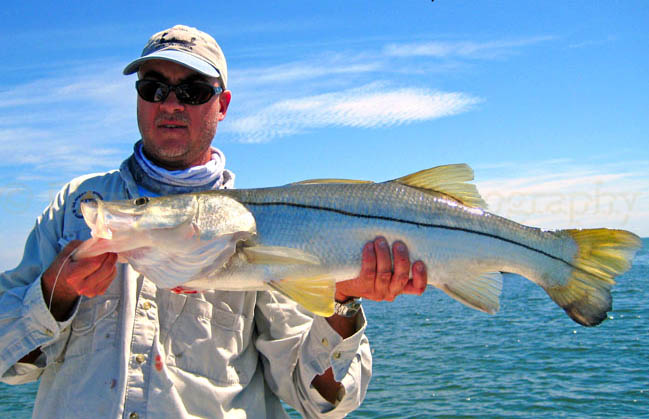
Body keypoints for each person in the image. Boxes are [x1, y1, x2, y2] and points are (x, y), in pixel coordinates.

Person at [0, 25, 427, 418]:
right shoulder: (74, 205)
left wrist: (341, 302)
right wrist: (53, 295)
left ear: (221, 105)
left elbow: (321, 402)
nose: (170, 104)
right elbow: (8, 364)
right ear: (138, 98)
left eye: (193, 91)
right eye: (153, 88)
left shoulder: (265, 225)